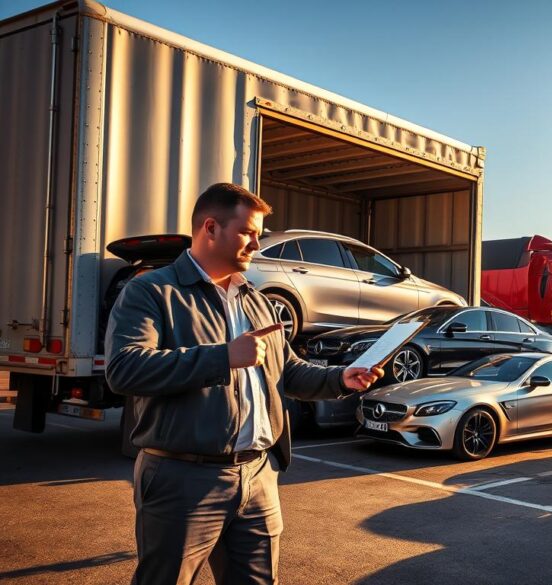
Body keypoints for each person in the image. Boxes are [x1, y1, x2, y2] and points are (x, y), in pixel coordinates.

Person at [105, 183, 383, 584]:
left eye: (259, 234)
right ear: (211, 228)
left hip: (257, 476)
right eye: (248, 232)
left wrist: (340, 378)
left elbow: (287, 372)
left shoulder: (256, 300)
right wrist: (223, 356)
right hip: (183, 478)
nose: (257, 243)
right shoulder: (152, 291)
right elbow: (125, 369)